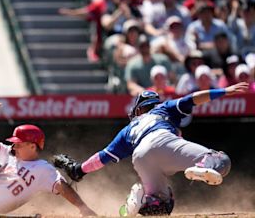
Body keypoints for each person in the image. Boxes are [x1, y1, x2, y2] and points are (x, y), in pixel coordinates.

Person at [54, 82, 248, 216]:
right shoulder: (162, 108)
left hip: (140, 156)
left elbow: (102, 157)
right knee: (221, 161)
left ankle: (139, 202)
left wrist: (79, 170)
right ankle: (204, 165)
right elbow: (192, 99)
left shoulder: (128, 129)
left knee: (160, 207)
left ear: (138, 110)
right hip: (164, 140)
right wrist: (223, 91)